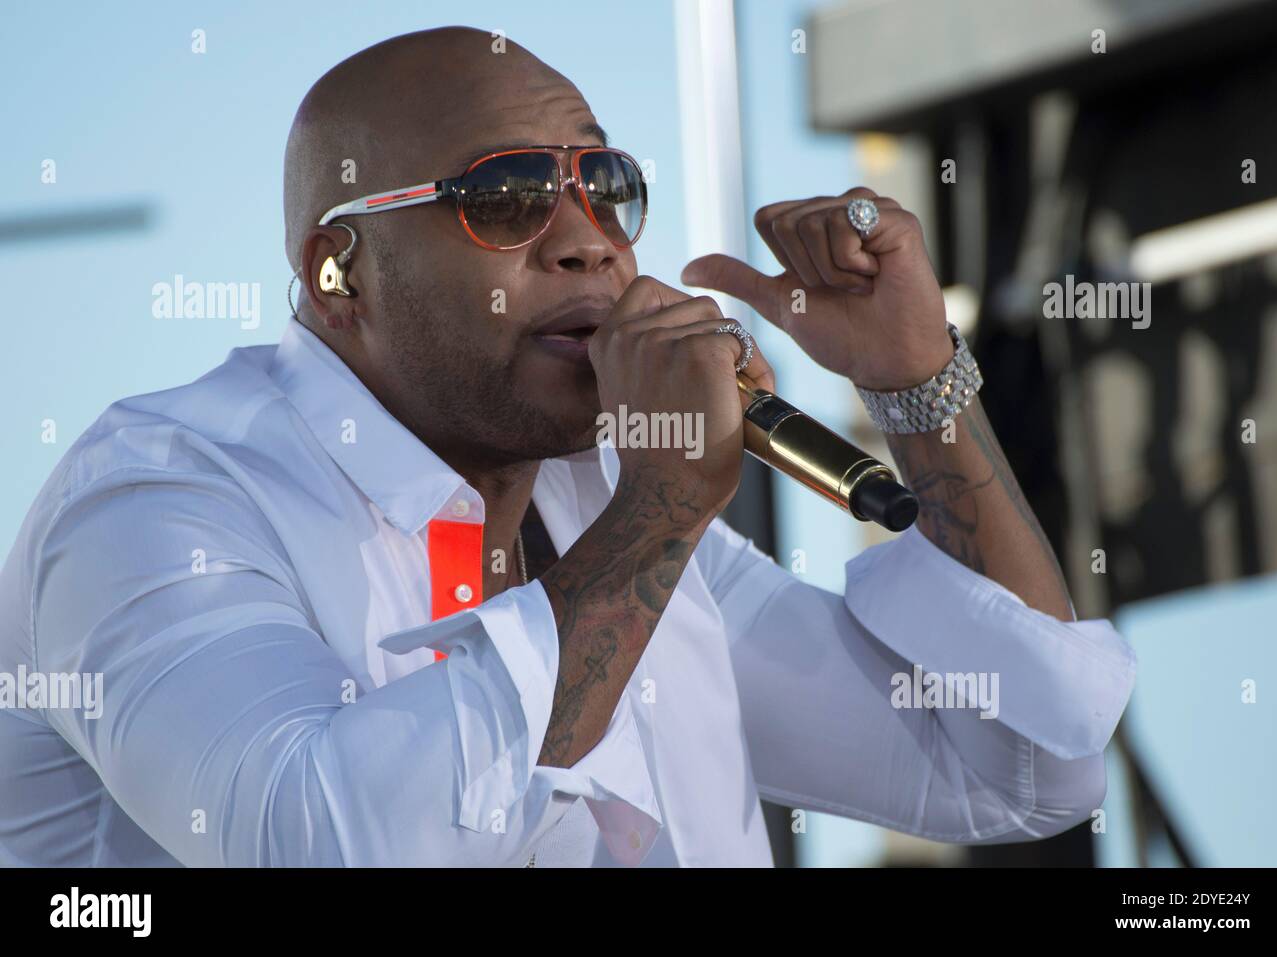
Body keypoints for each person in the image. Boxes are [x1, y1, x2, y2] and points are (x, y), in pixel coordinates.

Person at [0, 26, 1135, 866]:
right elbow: (315, 840)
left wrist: (916, 386)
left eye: (606, 187)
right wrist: (664, 511)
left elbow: (1019, 764)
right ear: (337, 273)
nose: (586, 242)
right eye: (508, 197)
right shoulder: (156, 500)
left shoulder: (606, 498)